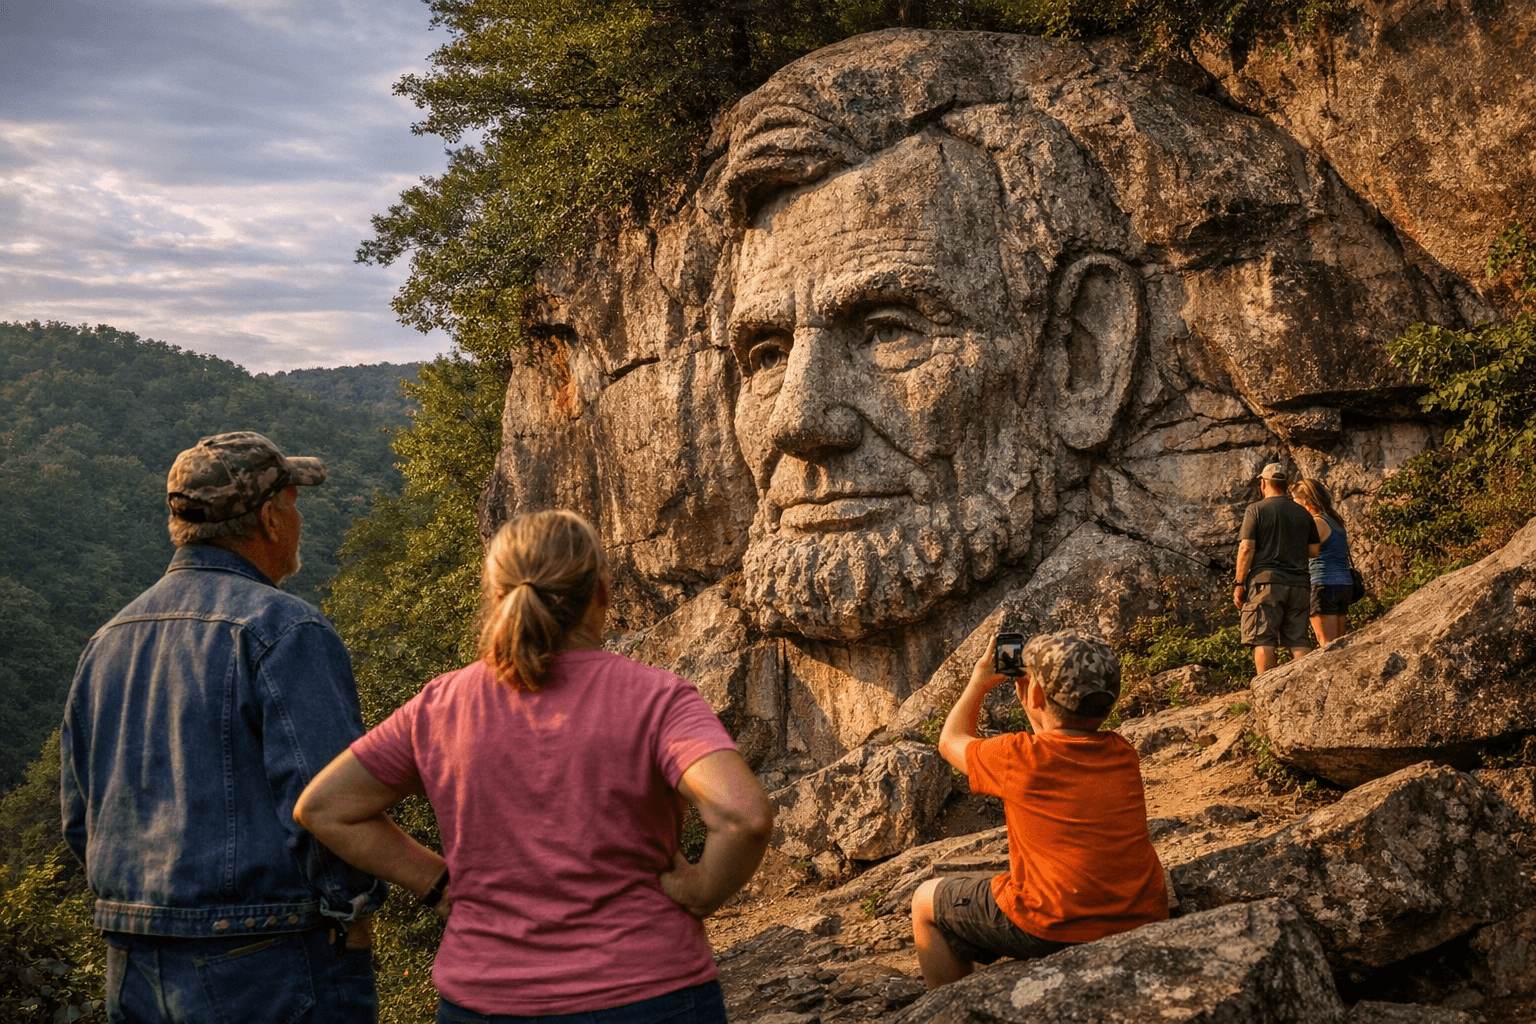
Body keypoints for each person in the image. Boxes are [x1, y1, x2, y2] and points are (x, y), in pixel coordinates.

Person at [294, 509, 774, 1022]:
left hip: (484, 999)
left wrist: (437, 883)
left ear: (494, 597)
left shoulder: (440, 706)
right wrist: (700, 891)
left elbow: (325, 807)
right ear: (601, 594)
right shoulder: (656, 698)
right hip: (649, 990)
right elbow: (742, 817)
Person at [60, 431, 384, 1024]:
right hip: (268, 959)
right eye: (294, 503)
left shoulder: (105, 643)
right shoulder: (284, 629)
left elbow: (81, 818)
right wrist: (352, 912)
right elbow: (328, 802)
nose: (299, 520)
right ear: (270, 519)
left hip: (133, 959)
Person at [910, 630, 1167, 989]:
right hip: (1139, 917)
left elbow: (949, 740)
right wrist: (1034, 700)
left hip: (1054, 926)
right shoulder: (1123, 753)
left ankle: (950, 1006)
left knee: (925, 902)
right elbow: (1054, 739)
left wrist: (978, 683)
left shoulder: (1017, 758)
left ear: (1035, 695)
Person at [1233, 463, 1321, 675]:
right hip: (1299, 585)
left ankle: (1266, 689)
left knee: (1262, 638)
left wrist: (1239, 583)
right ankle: (1305, 686)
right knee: (1298, 640)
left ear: (1264, 483)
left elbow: (1246, 548)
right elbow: (1314, 551)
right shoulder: (1303, 513)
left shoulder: (1256, 510)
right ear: (1285, 484)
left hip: (1266, 584)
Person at [1291, 478, 1355, 645]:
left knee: (1327, 644)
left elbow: (1299, 554)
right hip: (1343, 584)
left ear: (1305, 501)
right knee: (1340, 643)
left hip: (1323, 585)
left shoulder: (1317, 523)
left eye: (1295, 502)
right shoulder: (1334, 520)